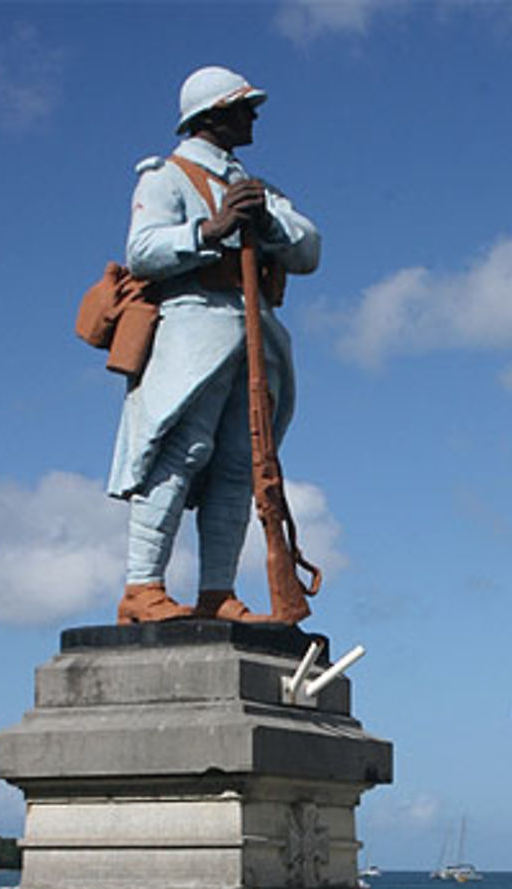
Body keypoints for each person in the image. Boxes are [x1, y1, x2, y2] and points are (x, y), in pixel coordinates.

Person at [107, 65, 321, 624]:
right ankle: (142, 587)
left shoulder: (258, 185)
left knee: (238, 465)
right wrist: (212, 229)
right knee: (180, 452)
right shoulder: (167, 177)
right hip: (192, 327)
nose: (252, 116)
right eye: (242, 107)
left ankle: (216, 592)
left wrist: (267, 224)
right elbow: (142, 251)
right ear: (211, 115)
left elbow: (309, 249)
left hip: (253, 331)